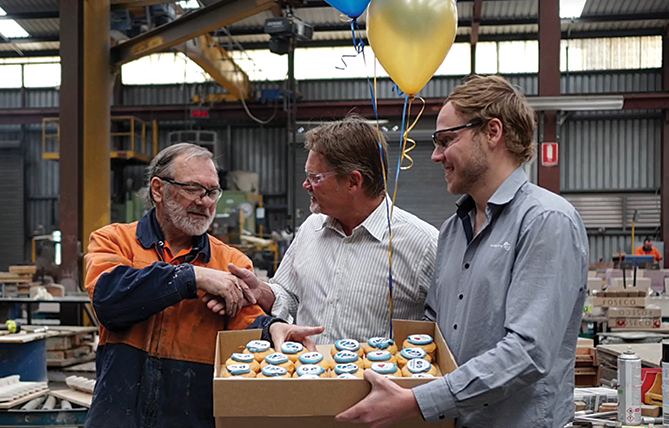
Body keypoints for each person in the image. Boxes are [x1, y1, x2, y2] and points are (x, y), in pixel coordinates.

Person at [337, 75, 589, 428]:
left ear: (492, 132)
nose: (437, 155)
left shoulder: (546, 221)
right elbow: (435, 332)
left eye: (446, 140)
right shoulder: (453, 230)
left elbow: (528, 353)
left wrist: (418, 400)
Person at [84, 143, 320, 428]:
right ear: (158, 189)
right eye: (193, 189)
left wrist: (273, 328)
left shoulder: (231, 261)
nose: (205, 201)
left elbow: (245, 322)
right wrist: (192, 277)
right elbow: (109, 300)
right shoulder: (115, 241)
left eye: (212, 192)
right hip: (116, 417)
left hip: (191, 418)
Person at [214, 115, 439, 344]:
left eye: (315, 177)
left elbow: (446, 331)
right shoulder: (311, 229)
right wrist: (261, 291)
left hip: (374, 378)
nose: (305, 184)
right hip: (307, 377)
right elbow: (290, 296)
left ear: (353, 182)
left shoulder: (424, 245)